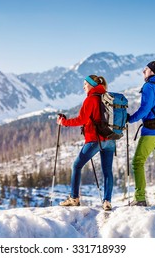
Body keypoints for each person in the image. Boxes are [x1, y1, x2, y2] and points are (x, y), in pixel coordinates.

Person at [57, 75, 116, 211]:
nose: (83, 87)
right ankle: (107, 201)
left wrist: (64, 122)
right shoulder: (107, 97)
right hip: (111, 139)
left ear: (91, 85)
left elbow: (81, 120)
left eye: (85, 84)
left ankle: (74, 198)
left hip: (95, 140)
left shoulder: (91, 99)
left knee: (76, 166)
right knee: (107, 171)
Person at [128, 60, 155, 207]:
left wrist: (130, 119)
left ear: (152, 71)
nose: (143, 72)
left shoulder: (149, 86)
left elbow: (145, 109)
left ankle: (140, 198)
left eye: (145, 69)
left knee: (138, 162)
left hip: (152, 131)